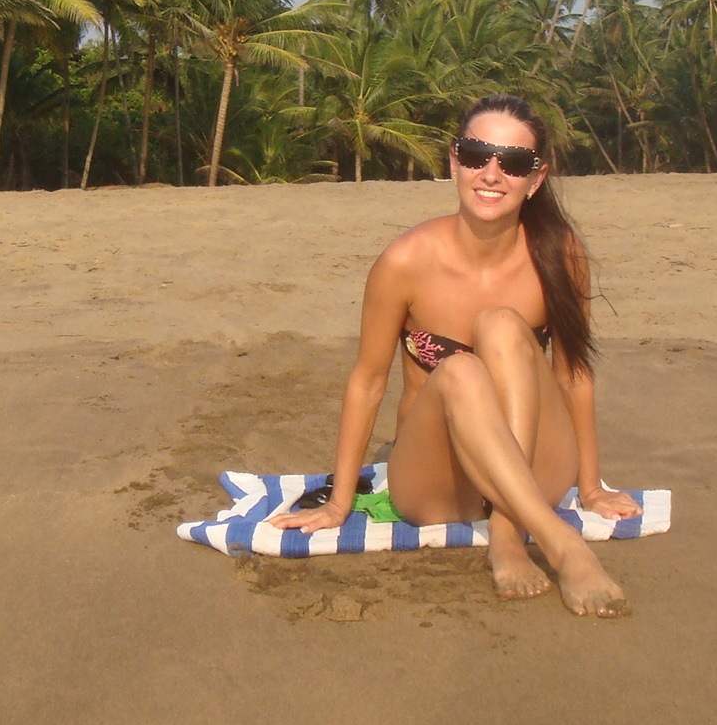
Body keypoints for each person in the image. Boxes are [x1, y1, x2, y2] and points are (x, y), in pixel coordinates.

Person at [270, 94, 636, 616]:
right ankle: (563, 544)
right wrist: (339, 502)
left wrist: (592, 488)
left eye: (513, 162)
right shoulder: (405, 262)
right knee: (461, 369)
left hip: (537, 467)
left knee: (501, 325)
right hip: (438, 481)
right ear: (454, 162)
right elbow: (368, 382)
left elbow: (572, 374)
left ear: (535, 179)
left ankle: (508, 531)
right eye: (476, 155)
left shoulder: (559, 254)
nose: (491, 174)